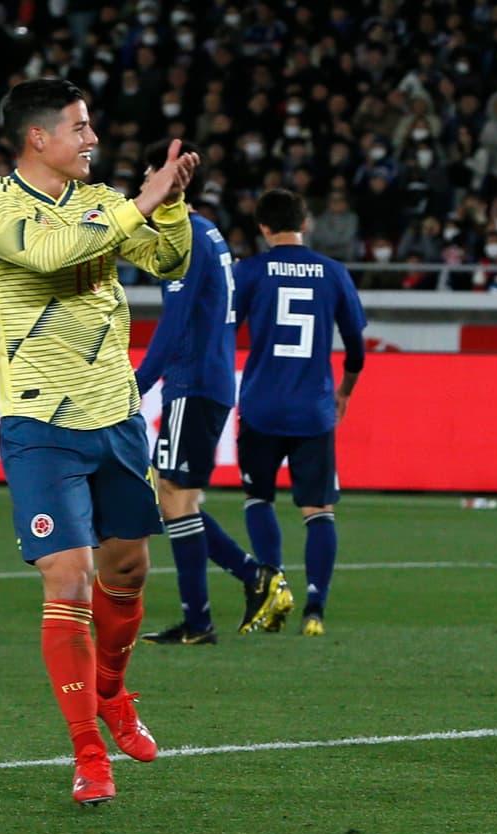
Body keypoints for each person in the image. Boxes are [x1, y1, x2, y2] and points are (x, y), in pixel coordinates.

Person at [0, 78, 199, 805]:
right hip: (40, 423)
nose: (92, 138)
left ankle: (112, 692)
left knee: (127, 571)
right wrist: (140, 201)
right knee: (67, 578)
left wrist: (172, 203)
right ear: (38, 137)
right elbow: (49, 256)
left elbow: (170, 264)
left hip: (116, 417)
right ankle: (88, 753)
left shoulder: (100, 200)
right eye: (80, 126)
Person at [133, 139, 293, 647]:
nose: (143, 183)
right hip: (207, 377)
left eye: (149, 174)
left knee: (175, 497)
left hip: (194, 380)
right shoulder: (207, 232)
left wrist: (140, 383)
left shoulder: (188, 237)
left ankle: (207, 615)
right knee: (174, 496)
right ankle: (248, 581)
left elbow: (176, 320)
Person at [231, 188, 367, 636]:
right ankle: (315, 610)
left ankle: (275, 588)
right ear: (305, 224)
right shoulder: (334, 272)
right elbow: (357, 348)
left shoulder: (249, 271)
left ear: (263, 228)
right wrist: (344, 391)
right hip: (313, 408)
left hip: (261, 405)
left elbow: (223, 331)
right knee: (318, 509)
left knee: (258, 499)